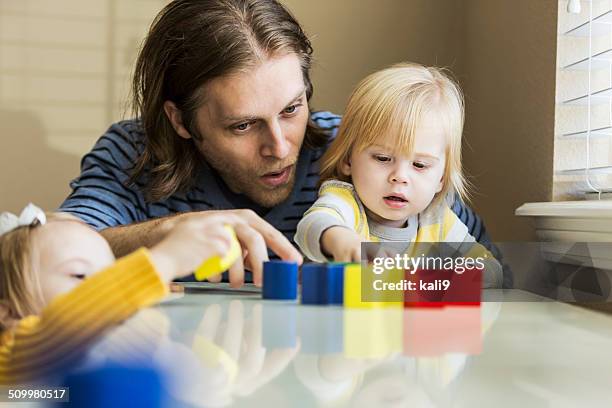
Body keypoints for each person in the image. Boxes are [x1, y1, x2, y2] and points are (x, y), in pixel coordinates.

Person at [59, 0, 496, 286]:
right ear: (181, 121)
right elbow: (36, 253)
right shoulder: (133, 153)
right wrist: (164, 233)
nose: (281, 146)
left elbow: (495, 274)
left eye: (291, 109)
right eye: (243, 126)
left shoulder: (366, 152)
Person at [0, 203, 273, 384]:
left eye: (110, 272)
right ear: (8, 311)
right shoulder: (15, 353)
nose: (108, 286)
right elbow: (56, 335)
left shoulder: (107, 344)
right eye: (80, 276)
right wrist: (164, 261)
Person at [294, 63, 502, 288]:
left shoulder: (438, 221)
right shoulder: (345, 203)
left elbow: (492, 271)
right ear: (347, 160)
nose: (400, 177)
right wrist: (343, 241)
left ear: (441, 179)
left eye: (420, 165)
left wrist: (444, 278)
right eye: (383, 158)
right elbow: (314, 225)